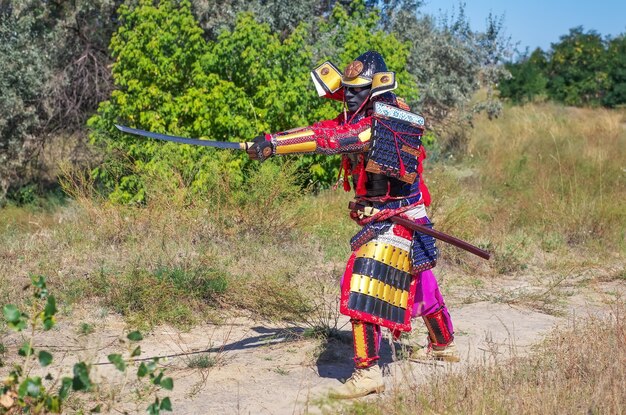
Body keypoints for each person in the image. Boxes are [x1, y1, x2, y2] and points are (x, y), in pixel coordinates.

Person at [247, 51, 459, 399]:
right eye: (346, 88)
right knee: (420, 284)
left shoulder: (385, 119)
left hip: (397, 218)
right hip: (402, 213)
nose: (347, 95)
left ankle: (368, 372)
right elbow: (330, 129)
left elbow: (335, 140)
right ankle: (443, 343)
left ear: (375, 89)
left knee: (362, 284)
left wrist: (276, 145)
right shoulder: (367, 112)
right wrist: (272, 141)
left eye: (356, 90)